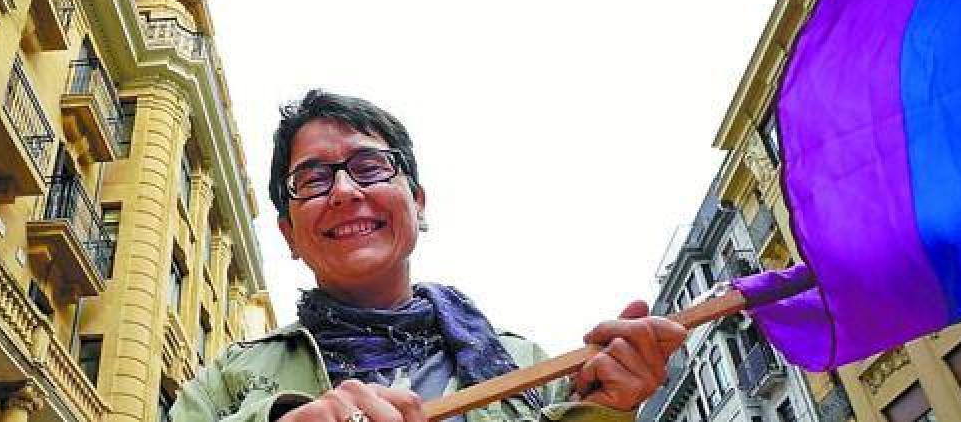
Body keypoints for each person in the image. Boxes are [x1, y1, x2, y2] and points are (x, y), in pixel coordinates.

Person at [170, 90, 687, 422]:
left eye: (369, 166)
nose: (345, 191)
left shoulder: (536, 370)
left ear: (417, 204)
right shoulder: (226, 383)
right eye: (313, 178)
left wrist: (606, 412)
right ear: (289, 234)